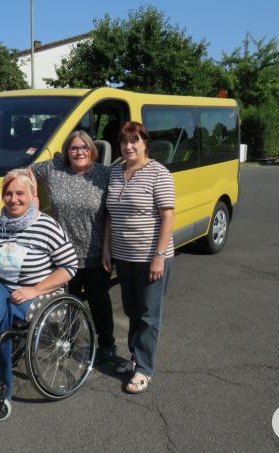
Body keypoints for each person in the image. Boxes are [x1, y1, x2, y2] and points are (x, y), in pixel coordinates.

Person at [0, 168, 78, 416]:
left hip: (39, 291)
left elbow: (69, 266)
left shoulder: (47, 226)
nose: (13, 199)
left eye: (20, 193)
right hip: (1, 287)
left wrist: (35, 289)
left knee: (4, 324)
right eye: (8, 193)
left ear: (32, 194)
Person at [30, 130, 116, 364]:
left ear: (92, 150)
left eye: (84, 147)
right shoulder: (54, 169)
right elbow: (25, 172)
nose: (79, 152)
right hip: (62, 255)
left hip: (94, 253)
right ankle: (68, 341)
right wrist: (34, 198)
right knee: (67, 301)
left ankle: (107, 344)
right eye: (74, 148)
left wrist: (108, 249)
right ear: (67, 151)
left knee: (99, 302)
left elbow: (110, 215)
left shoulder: (104, 174)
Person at [103, 121, 175, 394]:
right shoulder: (115, 172)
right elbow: (110, 215)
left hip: (151, 257)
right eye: (123, 141)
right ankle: (135, 358)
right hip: (123, 257)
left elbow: (168, 216)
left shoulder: (159, 174)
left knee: (148, 314)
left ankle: (144, 369)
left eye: (134, 141)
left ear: (145, 143)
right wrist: (107, 248)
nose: (128, 146)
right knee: (132, 310)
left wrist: (158, 256)